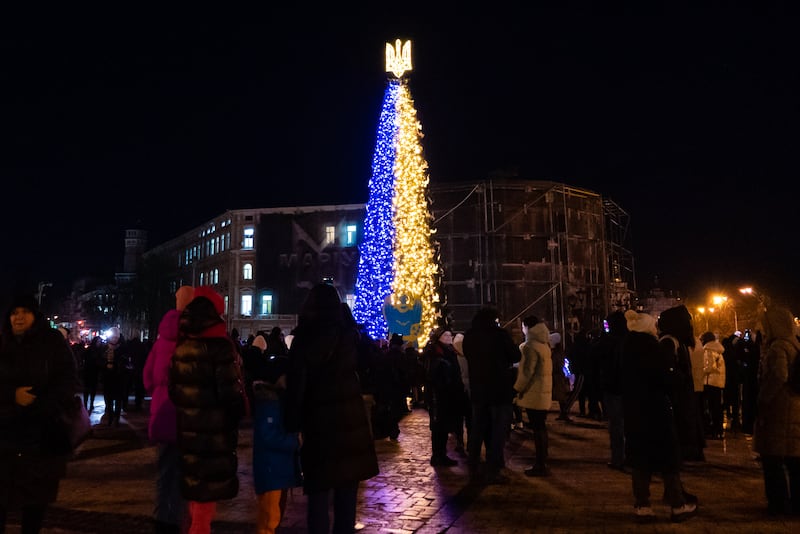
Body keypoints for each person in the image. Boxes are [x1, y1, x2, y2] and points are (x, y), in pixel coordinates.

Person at [284, 283, 379, 533]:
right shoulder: (349, 337)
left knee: (318, 496)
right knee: (346, 498)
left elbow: (296, 386)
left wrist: (292, 423)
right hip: (350, 426)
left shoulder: (304, 339)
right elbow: (370, 365)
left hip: (319, 427)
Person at [168, 286, 246, 534]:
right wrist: (235, 416)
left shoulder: (182, 345)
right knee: (206, 500)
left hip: (189, 431)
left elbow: (173, 391)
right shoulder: (220, 347)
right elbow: (230, 395)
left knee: (196, 493)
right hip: (214, 434)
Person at [0, 293, 80, 534]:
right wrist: (12, 395)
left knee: (34, 503)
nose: (19, 317)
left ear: (35, 315)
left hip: (41, 437)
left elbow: (67, 380)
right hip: (5, 436)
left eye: (25, 311)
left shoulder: (52, 343)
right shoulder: (2, 342)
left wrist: (43, 406)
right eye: (14, 312)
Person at [620, 309, 697, 523]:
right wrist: (679, 379)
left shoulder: (626, 348)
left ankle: (642, 506)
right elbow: (665, 378)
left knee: (640, 460)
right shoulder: (653, 348)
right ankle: (678, 505)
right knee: (668, 458)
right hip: (656, 410)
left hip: (634, 410)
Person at [143, 285, 193, 534]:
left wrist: (159, 392)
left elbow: (147, 377)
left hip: (162, 413)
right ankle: (179, 520)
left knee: (164, 472)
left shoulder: (161, 340)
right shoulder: (193, 338)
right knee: (185, 472)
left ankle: (162, 520)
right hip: (187, 415)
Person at [249, 337, 303, 534]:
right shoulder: (269, 403)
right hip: (271, 469)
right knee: (269, 517)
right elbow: (269, 436)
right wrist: (294, 441)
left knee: (275, 514)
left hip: (277, 469)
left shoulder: (276, 400)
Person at [462, 306, 521, 484]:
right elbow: (515, 355)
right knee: (498, 431)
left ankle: (473, 465)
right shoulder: (499, 335)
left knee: (478, 429)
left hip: (478, 390)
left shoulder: (469, 336)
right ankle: (493, 468)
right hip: (499, 390)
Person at [753, 303, 800, 516]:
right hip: (793, 406)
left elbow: (779, 375)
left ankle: (778, 503)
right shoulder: (794, 344)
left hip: (779, 409)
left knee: (772, 459)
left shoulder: (778, 347)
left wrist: (763, 397)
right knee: (794, 460)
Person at [657, 305, 706, 462]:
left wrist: (678, 379)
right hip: (684, 391)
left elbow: (668, 368)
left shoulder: (669, 341)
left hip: (678, 393)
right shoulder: (680, 341)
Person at [514, 315, 552, 477]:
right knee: (541, 427)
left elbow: (526, 372)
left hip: (533, 393)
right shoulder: (544, 344)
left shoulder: (530, 346)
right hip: (543, 393)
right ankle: (543, 459)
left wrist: (517, 389)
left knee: (537, 428)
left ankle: (540, 464)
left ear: (527, 327)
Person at [421, 326, 464, 466]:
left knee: (444, 426)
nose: (449, 338)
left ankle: (441, 454)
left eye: (450, 335)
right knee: (439, 426)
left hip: (447, 394)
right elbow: (433, 375)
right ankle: (438, 456)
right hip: (439, 395)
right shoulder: (435, 352)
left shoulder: (449, 351)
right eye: (445, 335)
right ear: (438, 337)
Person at [594, 311, 628, 471]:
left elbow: (595, 354)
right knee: (626, 424)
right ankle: (628, 456)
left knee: (616, 425)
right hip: (627, 387)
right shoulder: (629, 339)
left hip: (613, 387)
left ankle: (618, 458)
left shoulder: (608, 341)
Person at [700, 331, 726, 440]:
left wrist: (700, 372)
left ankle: (714, 430)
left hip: (710, 381)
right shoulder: (718, 350)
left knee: (711, 407)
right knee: (717, 407)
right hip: (718, 382)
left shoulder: (708, 350)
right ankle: (719, 429)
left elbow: (709, 366)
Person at [452, 332, 471, 456]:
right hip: (469, 390)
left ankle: (460, 442)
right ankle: (470, 443)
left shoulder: (454, 358)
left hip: (459, 390)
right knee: (469, 418)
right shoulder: (471, 356)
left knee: (459, 418)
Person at [81, 335, 102, 411]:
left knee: (90, 389)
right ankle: (88, 403)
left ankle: (88, 404)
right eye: (98, 342)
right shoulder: (96, 350)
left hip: (91, 371)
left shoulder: (92, 350)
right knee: (90, 389)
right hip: (91, 371)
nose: (99, 343)